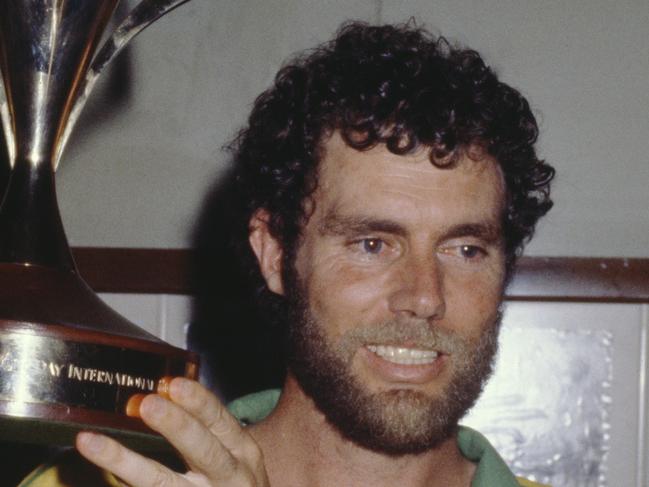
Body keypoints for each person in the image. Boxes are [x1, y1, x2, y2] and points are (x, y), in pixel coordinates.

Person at [34, 20, 556, 487]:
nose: (424, 297)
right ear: (275, 254)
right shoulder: (88, 482)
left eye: (465, 249)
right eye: (372, 245)